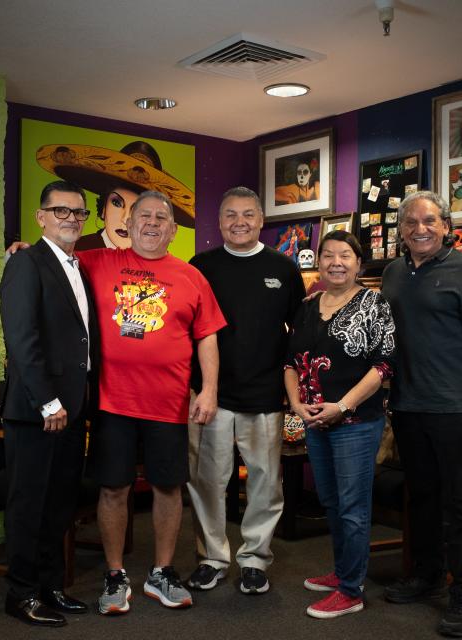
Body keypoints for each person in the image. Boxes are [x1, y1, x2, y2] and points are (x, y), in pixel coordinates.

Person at [76, 191, 226, 615]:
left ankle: (161, 572)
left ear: (173, 231)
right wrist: (24, 250)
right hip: (112, 402)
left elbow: (208, 336)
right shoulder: (99, 262)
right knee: (113, 488)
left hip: (169, 404)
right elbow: (55, 261)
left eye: (162, 218)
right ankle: (115, 574)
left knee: (168, 487)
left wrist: (210, 388)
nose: (153, 223)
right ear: (129, 222)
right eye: (145, 215)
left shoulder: (191, 276)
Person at [381, 191, 462, 638]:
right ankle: (427, 574)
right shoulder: (392, 273)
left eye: (429, 220)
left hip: (455, 408)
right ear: (401, 230)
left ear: (446, 225)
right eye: (411, 222)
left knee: (461, 503)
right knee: (424, 497)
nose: (420, 228)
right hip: (408, 406)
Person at [185, 187, 306, 595]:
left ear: (261, 220)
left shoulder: (284, 269)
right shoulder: (199, 267)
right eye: (231, 215)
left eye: (248, 215)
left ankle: (255, 559)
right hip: (209, 396)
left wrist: (293, 391)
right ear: (218, 222)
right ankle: (212, 558)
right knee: (206, 483)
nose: (240, 222)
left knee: (265, 484)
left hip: (265, 394)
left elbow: (299, 335)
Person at [0, 180, 100, 627]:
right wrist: (48, 402)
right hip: (39, 412)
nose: (72, 219)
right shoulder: (26, 262)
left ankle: (50, 587)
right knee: (29, 506)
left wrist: (70, 405)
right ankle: (20, 595)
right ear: (41, 216)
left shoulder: (79, 265)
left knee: (60, 505)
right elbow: (22, 340)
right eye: (62, 211)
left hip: (73, 410)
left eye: (79, 213)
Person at [284, 230, 396, 620]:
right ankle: (343, 570)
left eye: (344, 255)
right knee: (331, 502)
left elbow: (383, 366)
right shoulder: (308, 305)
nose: (336, 262)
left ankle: (352, 590)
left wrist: (343, 405)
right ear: (319, 261)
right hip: (316, 422)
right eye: (328, 254)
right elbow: (290, 362)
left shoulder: (373, 303)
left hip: (356, 422)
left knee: (352, 507)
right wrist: (297, 405)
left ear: (358, 262)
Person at [34, 140, 196, 251]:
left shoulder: (155, 260)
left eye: (138, 210)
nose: (126, 219)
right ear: (103, 209)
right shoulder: (77, 251)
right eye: (117, 203)